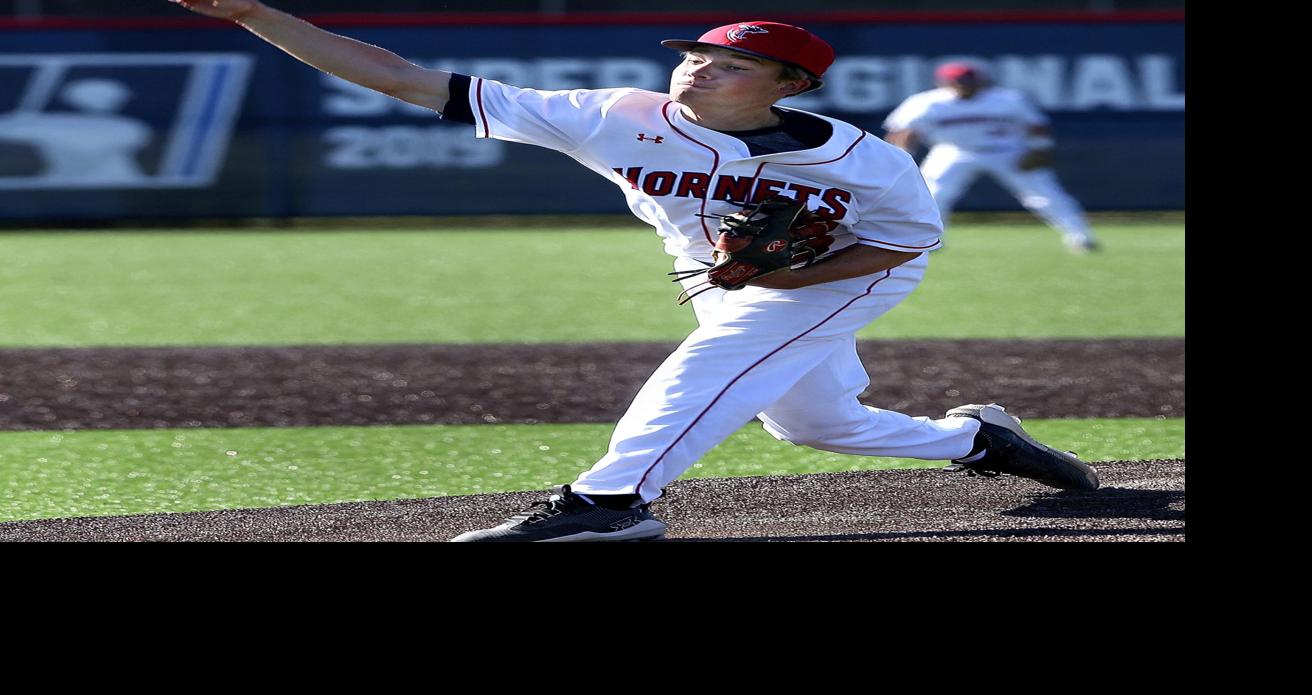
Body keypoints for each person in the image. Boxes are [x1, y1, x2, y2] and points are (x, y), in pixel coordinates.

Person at [168, 1, 1101, 542]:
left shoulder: (865, 162)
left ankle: (609, 501)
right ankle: (975, 441)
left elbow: (905, 244)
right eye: (697, 52)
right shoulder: (613, 114)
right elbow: (409, 81)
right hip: (718, 272)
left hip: (849, 271)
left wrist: (776, 283)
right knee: (817, 424)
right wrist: (256, 11)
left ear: (789, 86)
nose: (700, 69)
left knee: (720, 356)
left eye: (733, 64)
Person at [883, 61, 1101, 254]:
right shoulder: (926, 102)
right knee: (932, 195)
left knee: (1045, 195)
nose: (965, 85)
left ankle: (1081, 237)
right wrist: (901, 159)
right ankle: (928, 242)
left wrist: (1039, 150)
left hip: (1006, 150)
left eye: (969, 81)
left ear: (981, 81)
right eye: (959, 81)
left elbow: (1036, 126)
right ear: (944, 82)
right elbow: (902, 132)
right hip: (953, 151)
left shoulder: (1006, 99)